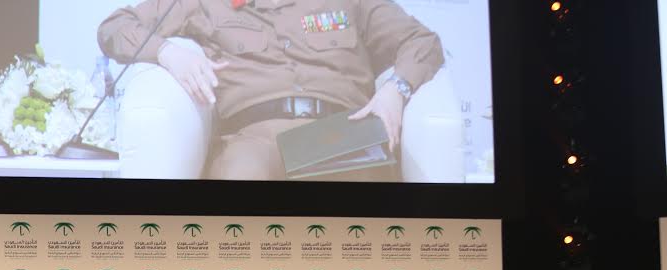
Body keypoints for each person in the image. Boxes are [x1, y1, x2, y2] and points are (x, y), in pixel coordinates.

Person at [98, 0, 444, 181]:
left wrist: (397, 89)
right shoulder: (206, 3)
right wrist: (167, 52)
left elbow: (422, 40)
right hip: (254, 137)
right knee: (240, 181)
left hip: (341, 133)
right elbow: (115, 27)